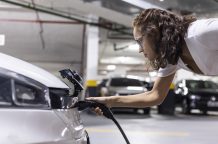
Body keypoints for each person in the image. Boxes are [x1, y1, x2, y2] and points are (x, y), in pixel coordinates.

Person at [87, 8, 218, 115]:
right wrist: (111, 101)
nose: (139, 49)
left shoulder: (201, 33)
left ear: (153, 33)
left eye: (139, 41)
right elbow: (155, 95)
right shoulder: (172, 57)